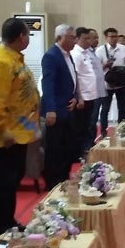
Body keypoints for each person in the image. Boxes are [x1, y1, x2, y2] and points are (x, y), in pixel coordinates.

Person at [0, 18, 41, 238]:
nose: (28, 38)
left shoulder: (15, 59)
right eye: (28, 34)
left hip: (21, 131)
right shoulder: (3, 62)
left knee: (14, 178)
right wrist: (4, 130)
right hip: (8, 134)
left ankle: (8, 220)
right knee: (5, 182)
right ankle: (0, 227)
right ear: (21, 36)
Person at [41, 24, 82, 189]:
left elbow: (70, 80)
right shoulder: (51, 56)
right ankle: (53, 183)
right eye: (71, 37)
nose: (74, 40)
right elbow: (48, 84)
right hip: (55, 111)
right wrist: (50, 109)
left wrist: (75, 97)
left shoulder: (68, 55)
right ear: (60, 38)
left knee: (67, 147)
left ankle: (63, 178)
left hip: (67, 107)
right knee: (55, 149)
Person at [97, 27, 125, 137]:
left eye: (116, 36)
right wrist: (106, 65)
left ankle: (121, 130)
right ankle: (103, 131)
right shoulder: (100, 51)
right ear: (106, 37)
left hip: (121, 82)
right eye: (112, 36)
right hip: (106, 84)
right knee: (105, 109)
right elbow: (95, 68)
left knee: (122, 108)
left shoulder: (123, 48)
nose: (114, 39)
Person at [71, 27, 100, 157]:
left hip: (91, 94)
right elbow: (75, 76)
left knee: (89, 123)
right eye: (85, 38)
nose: (88, 41)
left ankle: (87, 147)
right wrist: (79, 97)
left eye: (89, 38)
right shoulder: (76, 54)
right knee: (82, 126)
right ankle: (80, 151)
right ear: (77, 38)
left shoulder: (87, 53)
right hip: (84, 96)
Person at [87, 29, 108, 144]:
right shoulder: (85, 54)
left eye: (97, 37)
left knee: (95, 119)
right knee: (92, 119)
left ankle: (92, 142)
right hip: (92, 92)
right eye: (93, 38)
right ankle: (89, 143)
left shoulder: (94, 53)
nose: (96, 40)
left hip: (100, 90)